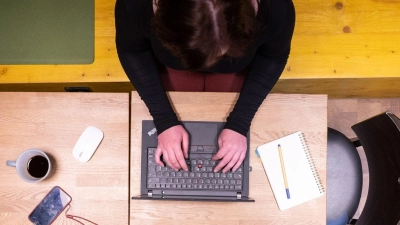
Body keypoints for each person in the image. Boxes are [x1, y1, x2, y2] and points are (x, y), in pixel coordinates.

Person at [115, 0, 295, 173]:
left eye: (223, 52)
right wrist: (163, 120)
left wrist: (240, 123)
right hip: (172, 65)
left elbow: (273, 57)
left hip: (234, 69)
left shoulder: (276, 7)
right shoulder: (135, 4)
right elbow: (132, 51)